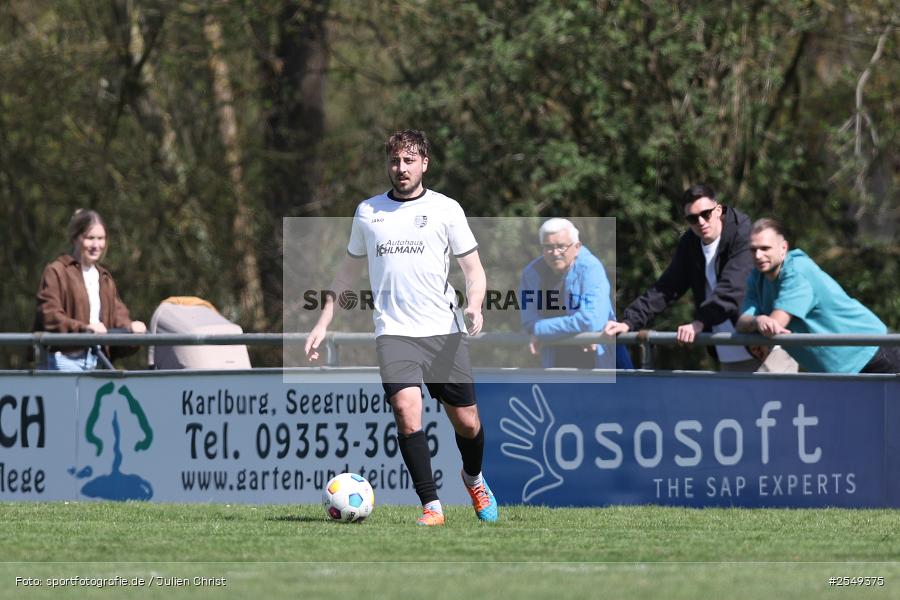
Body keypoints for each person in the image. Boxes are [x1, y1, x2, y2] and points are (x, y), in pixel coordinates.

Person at [305, 129, 498, 526]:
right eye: (395, 161)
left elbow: (474, 270)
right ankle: (432, 506)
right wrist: (322, 323)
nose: (401, 168)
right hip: (393, 333)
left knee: (467, 421)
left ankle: (473, 478)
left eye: (409, 160)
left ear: (425, 163)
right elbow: (346, 275)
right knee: (407, 412)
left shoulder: (446, 209)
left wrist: (475, 305)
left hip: (443, 332)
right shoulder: (368, 212)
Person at [603, 184, 796, 372]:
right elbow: (666, 287)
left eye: (706, 214)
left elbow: (732, 287)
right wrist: (629, 322)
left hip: (768, 347)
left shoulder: (743, 234)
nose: (701, 222)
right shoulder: (690, 243)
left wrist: (699, 323)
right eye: (693, 218)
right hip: (729, 351)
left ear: (718, 209)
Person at [737, 218, 899, 373]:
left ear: (783, 248)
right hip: (843, 372)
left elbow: (775, 326)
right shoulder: (756, 277)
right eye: (753, 249)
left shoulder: (798, 271)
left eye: (765, 248)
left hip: (874, 354)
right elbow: (742, 323)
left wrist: (759, 324)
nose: (758, 255)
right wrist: (757, 320)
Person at [34, 209, 146, 371]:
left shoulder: (104, 277)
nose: (96, 245)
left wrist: (131, 327)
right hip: (64, 360)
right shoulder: (57, 271)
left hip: (97, 361)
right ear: (75, 238)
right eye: (90, 238)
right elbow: (50, 315)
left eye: (101, 239)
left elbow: (117, 315)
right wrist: (84, 329)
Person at [519, 218, 633, 369]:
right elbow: (529, 320)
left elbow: (590, 320)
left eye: (561, 247)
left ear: (577, 247)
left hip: (601, 364)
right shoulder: (531, 273)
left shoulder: (591, 269)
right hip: (555, 365)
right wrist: (575, 331)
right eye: (548, 247)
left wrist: (541, 330)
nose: (555, 253)